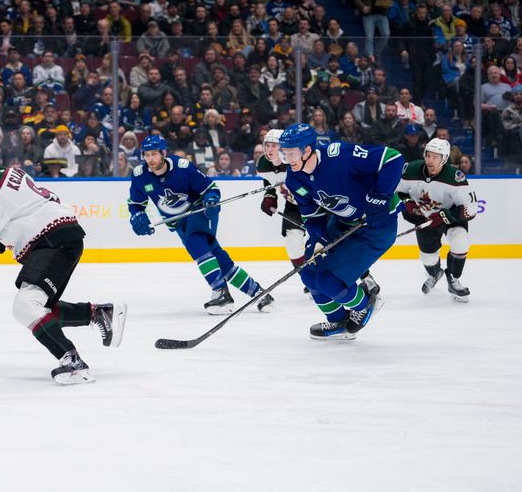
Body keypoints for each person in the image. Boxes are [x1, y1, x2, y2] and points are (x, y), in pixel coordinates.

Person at [0, 141, 126, 384]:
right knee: (41, 309)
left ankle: (73, 362)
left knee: (26, 305)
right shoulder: (7, 173)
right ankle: (98, 313)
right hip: (63, 237)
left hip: (52, 243)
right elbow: (19, 211)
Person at [278, 123, 403, 339]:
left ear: (307, 150)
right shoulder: (294, 177)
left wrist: (380, 196)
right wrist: (318, 236)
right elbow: (312, 213)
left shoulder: (339, 156)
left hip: (376, 227)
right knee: (309, 271)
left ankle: (364, 305)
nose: (287, 159)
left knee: (329, 281)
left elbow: (392, 158)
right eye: (285, 153)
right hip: (344, 222)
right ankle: (338, 322)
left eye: (291, 153)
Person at [128, 134, 275, 314]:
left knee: (194, 242)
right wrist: (136, 216)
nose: (150, 159)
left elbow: (210, 189)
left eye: (154, 154)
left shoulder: (183, 168)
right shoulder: (140, 176)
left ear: (163, 153)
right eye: (146, 155)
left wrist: (211, 200)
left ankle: (221, 293)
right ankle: (260, 294)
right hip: (178, 223)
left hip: (200, 211)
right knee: (220, 260)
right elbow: (135, 204)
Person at [396, 138, 478, 302]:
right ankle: (436, 274)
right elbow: (397, 191)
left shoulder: (455, 178)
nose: (430, 160)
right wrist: (408, 204)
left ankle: (454, 279)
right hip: (425, 219)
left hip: (451, 217)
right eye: (428, 155)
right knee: (428, 258)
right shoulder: (410, 170)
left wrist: (447, 215)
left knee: (460, 240)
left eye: (436, 157)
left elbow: (471, 208)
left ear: (444, 159)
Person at [256, 130, 308, 293]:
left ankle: (364, 276)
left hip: (313, 205)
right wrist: (270, 195)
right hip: (293, 206)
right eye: (268, 145)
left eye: (274, 145)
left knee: (329, 241)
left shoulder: (295, 163)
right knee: (293, 244)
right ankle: (310, 280)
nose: (270, 149)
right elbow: (269, 180)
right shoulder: (263, 164)